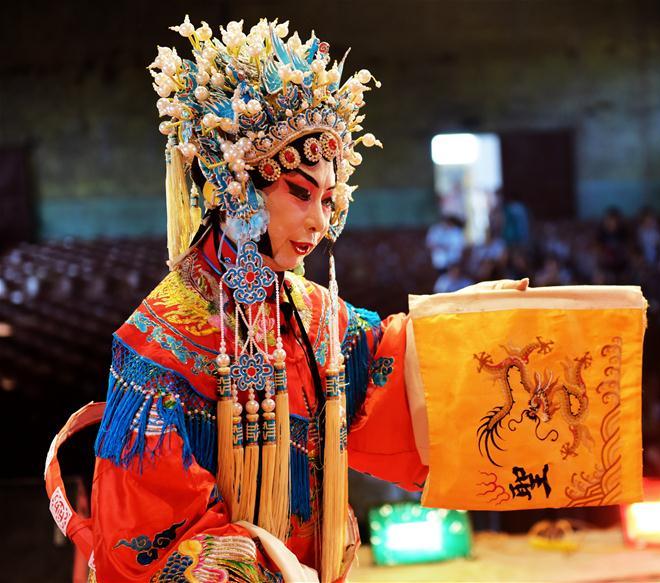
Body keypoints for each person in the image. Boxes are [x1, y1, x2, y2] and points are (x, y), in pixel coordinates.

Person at [45, 18, 526, 582]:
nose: (320, 221)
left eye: (328, 199)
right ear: (238, 189)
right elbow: (150, 534)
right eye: (300, 193)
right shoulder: (159, 343)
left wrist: (470, 324)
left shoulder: (314, 313)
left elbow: (395, 374)